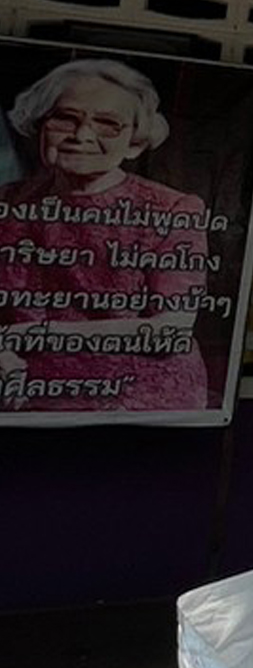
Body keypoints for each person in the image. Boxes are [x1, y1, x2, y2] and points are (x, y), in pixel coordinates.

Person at [0, 57, 212, 411]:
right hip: (25, 399)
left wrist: (33, 337)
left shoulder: (173, 209)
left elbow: (170, 330)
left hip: (140, 405)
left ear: (135, 143)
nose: (81, 136)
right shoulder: (7, 201)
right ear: (39, 125)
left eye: (108, 124)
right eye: (65, 118)